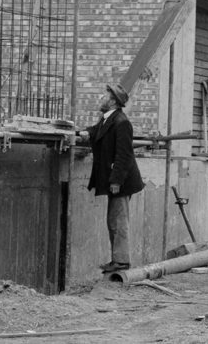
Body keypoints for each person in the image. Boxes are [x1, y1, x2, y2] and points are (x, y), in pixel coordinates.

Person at [80, 82, 144, 272]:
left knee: (118, 220)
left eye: (105, 95)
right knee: (113, 219)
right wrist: (84, 133)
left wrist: (116, 181)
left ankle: (122, 261)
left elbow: (123, 155)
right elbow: (97, 130)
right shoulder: (108, 119)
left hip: (122, 181)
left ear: (113, 101)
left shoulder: (122, 122)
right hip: (116, 180)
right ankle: (117, 259)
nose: (101, 98)